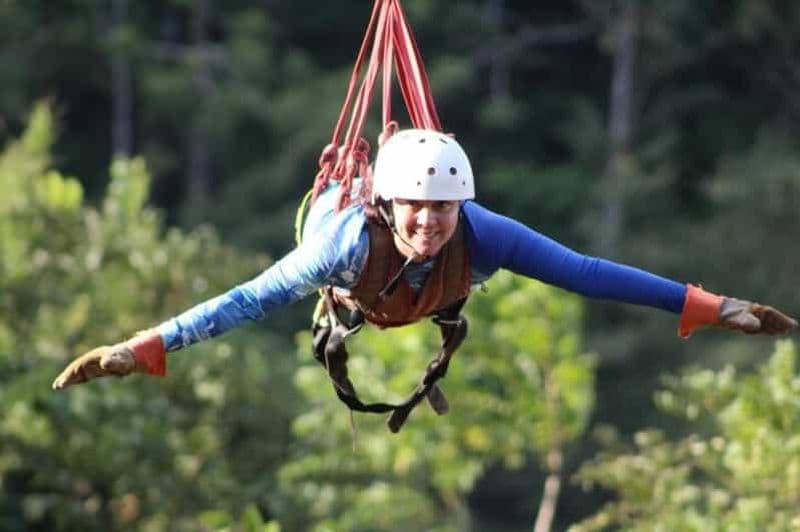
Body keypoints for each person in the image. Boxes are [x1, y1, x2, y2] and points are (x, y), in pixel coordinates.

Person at [52, 129, 797, 429]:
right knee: (327, 269)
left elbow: (587, 273)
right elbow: (249, 298)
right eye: (419, 208)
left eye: (444, 210)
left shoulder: (484, 235)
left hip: (415, 300)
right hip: (359, 280)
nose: (433, 222)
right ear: (389, 203)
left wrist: (707, 304)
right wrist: (147, 345)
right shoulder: (342, 245)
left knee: (530, 266)